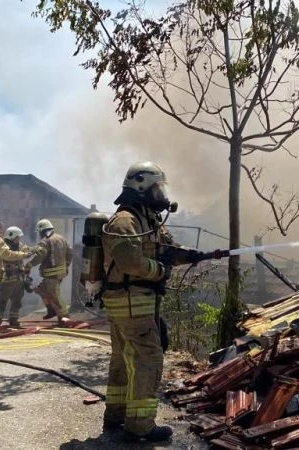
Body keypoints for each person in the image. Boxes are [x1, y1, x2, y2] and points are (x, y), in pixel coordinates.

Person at [94, 161, 226, 442]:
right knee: (148, 358)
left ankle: (115, 416)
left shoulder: (147, 220)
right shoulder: (125, 220)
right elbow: (130, 261)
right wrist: (161, 270)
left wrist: (193, 256)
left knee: (123, 358)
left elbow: (166, 251)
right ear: (141, 186)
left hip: (131, 301)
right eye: (157, 188)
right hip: (132, 301)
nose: (161, 195)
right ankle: (140, 426)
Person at [25, 219, 72, 324]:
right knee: (41, 290)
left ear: (42, 230)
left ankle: (64, 316)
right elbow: (70, 252)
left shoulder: (46, 241)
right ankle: (51, 310)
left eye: (39, 232)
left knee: (55, 294)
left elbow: (40, 256)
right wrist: (66, 265)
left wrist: (29, 265)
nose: (39, 235)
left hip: (51, 275)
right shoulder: (62, 239)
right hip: (60, 273)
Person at [0, 226, 30, 327]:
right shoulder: (3, 246)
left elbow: (27, 250)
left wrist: (35, 250)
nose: (19, 239)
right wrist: (23, 254)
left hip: (19, 279)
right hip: (7, 280)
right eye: (17, 237)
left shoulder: (19, 245)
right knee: (2, 301)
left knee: (17, 301)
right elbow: (8, 256)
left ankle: (14, 319)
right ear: (11, 237)